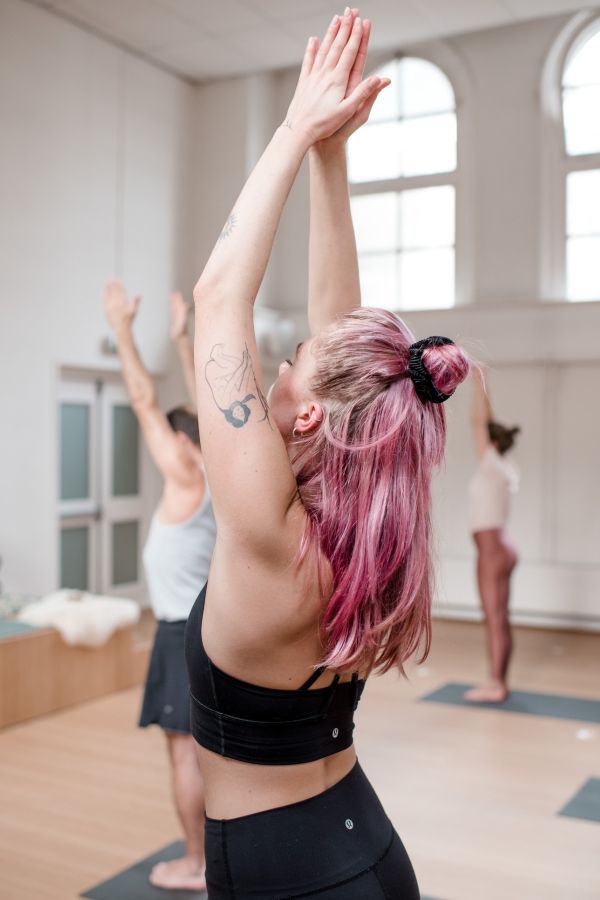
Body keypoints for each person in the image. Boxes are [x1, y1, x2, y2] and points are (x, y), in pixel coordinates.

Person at [186, 10, 470, 898]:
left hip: (288, 873)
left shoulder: (272, 538)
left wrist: (294, 127)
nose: (274, 366)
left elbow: (217, 294)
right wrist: (330, 160)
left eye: (290, 367)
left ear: (309, 420)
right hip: (368, 848)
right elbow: (334, 334)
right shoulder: (359, 537)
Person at [103, 283, 215, 891]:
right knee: (208, 755)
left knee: (184, 755)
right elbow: (215, 405)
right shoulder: (226, 471)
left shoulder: (184, 475)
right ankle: (209, 857)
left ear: (179, 442)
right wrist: (180, 338)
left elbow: (145, 401)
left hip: (178, 632)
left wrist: (122, 329)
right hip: (207, 630)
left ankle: (196, 864)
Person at [464, 365, 520, 703]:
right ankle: (500, 681)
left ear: (492, 442)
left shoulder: (491, 463)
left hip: (492, 550)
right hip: (503, 545)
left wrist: (478, 383)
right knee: (502, 618)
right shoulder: (505, 466)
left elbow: (478, 422)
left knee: (493, 619)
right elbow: (487, 424)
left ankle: (495, 684)